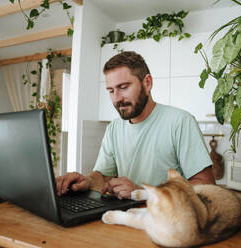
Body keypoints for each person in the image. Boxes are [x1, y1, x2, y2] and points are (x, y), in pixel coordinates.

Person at [56, 51, 215, 199]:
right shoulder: (114, 128)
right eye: (111, 91)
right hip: (127, 219)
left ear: (147, 83)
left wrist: (143, 193)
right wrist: (87, 181)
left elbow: (206, 187)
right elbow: (104, 176)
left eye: (123, 87)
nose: (117, 98)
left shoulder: (180, 121)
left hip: (168, 222)